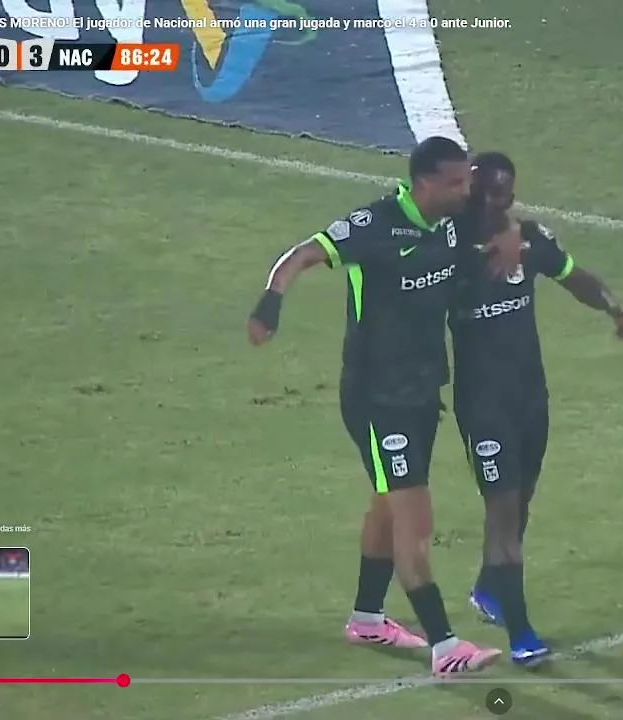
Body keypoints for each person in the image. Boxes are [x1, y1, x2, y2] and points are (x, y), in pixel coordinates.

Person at [246, 136, 521, 677]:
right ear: (424, 184)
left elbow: (500, 221)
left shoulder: (453, 218)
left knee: (386, 504)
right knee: (414, 518)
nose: (466, 190)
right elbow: (302, 255)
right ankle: (444, 646)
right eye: (455, 182)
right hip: (376, 398)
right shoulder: (373, 226)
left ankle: (367, 618)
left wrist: (510, 234)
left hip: (422, 393)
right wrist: (270, 303)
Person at [449, 151, 623, 666]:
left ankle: (490, 588)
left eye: (501, 193)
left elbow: (572, 275)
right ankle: (522, 633)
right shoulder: (447, 247)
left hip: (530, 399)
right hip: (482, 405)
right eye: (482, 190)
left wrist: (612, 305)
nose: (491, 201)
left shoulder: (528, 241)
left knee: (521, 502)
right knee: (503, 512)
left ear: (511, 195)